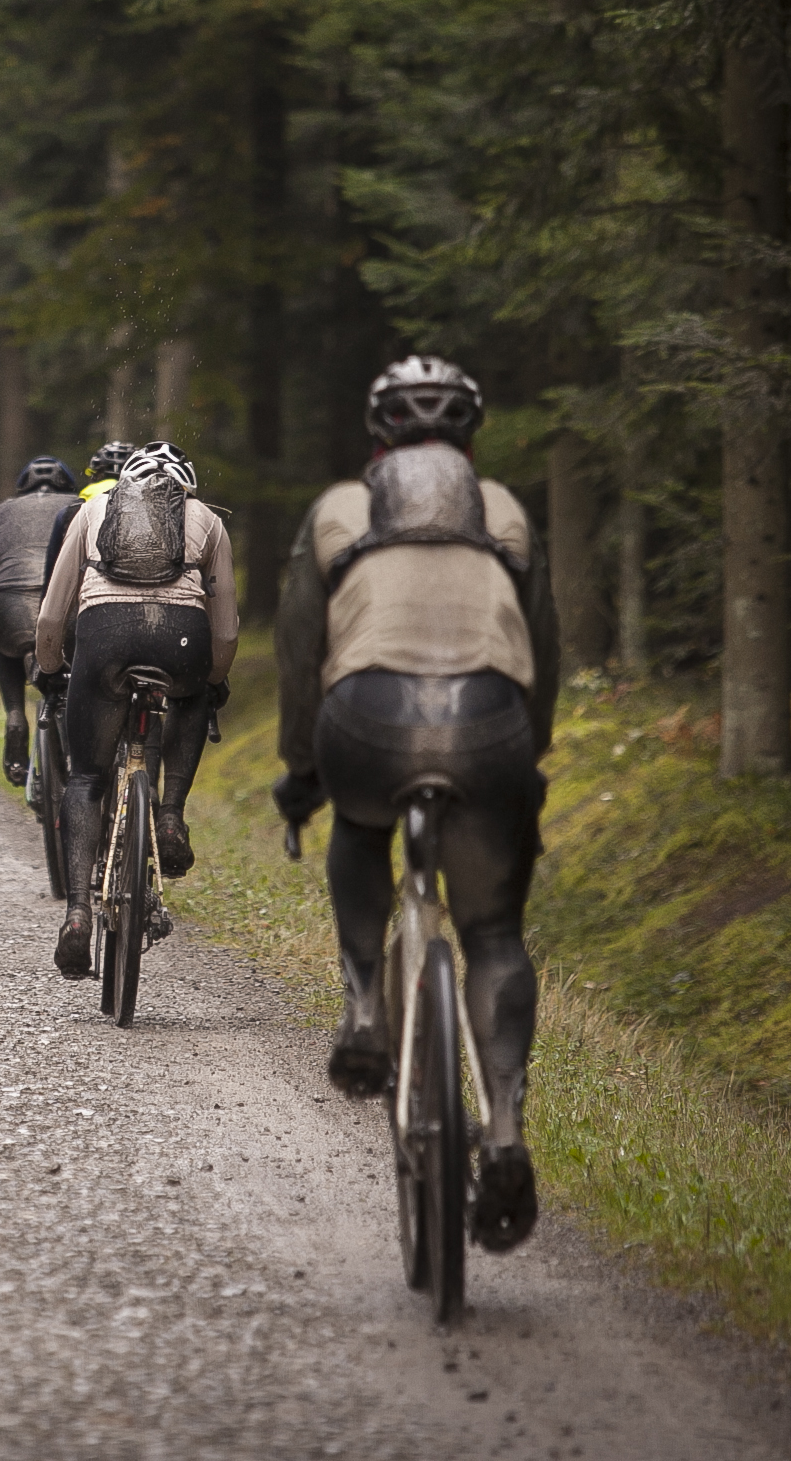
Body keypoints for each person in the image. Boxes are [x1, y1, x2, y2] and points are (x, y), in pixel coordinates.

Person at [271, 356, 559, 1255]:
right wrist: (525, 756)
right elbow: (543, 647)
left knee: (360, 826)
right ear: (472, 438)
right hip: (488, 724)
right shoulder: (504, 510)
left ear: (377, 436)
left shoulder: (338, 509)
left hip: (367, 721)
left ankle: (364, 1005)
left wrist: (301, 770)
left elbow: (300, 650)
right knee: (494, 936)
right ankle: (503, 1129)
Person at [34, 441, 235, 978]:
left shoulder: (92, 510)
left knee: (86, 778)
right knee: (194, 695)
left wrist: (49, 666)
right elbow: (226, 629)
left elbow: (53, 612)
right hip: (182, 640)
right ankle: (169, 816)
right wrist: (213, 680)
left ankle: (78, 913)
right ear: (185, 487)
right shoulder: (208, 519)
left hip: (105, 637)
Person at [0, 455, 81, 783]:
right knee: (77, 661)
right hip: (66, 606)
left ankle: (15, 715)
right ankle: (76, 734)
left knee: (4, 647)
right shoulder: (82, 507)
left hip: (9, 607)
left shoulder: (0, 512)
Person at [41, 439, 135, 587]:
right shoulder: (144, 504)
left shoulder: (80, 504)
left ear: (95, 473)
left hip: (86, 583)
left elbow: (56, 564)